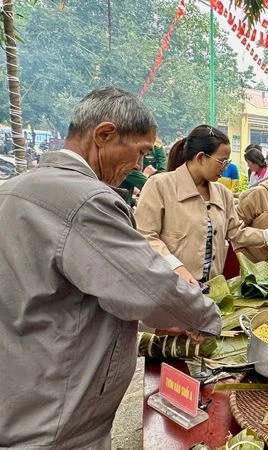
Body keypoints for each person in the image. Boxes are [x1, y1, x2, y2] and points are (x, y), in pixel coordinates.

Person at [0, 87, 221, 449]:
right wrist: (206, 318)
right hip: (58, 414)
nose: (138, 165)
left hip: (20, 391)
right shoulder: (87, 199)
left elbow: (75, 288)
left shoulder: (15, 189)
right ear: (104, 135)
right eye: (140, 152)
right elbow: (151, 288)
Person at [135, 125, 268, 285]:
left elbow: (236, 232)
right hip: (170, 286)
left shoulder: (222, 193)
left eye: (226, 162)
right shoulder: (160, 185)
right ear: (201, 157)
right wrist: (176, 267)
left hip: (210, 288)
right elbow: (145, 235)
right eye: (221, 162)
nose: (225, 168)